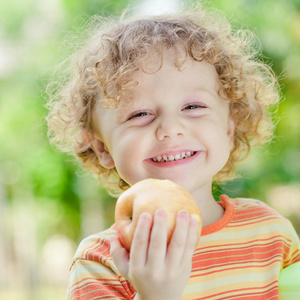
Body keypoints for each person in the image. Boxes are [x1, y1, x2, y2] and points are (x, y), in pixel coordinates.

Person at [46, 4, 300, 299]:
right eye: (139, 114)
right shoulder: (102, 261)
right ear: (102, 148)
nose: (170, 128)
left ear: (229, 127)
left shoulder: (270, 233)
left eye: (193, 107)